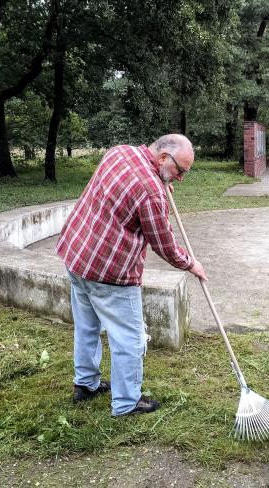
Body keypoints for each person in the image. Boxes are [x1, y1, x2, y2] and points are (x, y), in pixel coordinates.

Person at [56, 134, 207, 416]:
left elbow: (130, 189)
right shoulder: (151, 191)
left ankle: (85, 384)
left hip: (75, 256)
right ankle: (126, 403)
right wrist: (190, 264)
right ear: (163, 158)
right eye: (180, 171)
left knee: (87, 325)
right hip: (108, 273)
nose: (181, 178)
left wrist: (161, 188)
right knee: (130, 338)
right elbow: (164, 243)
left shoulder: (119, 152)